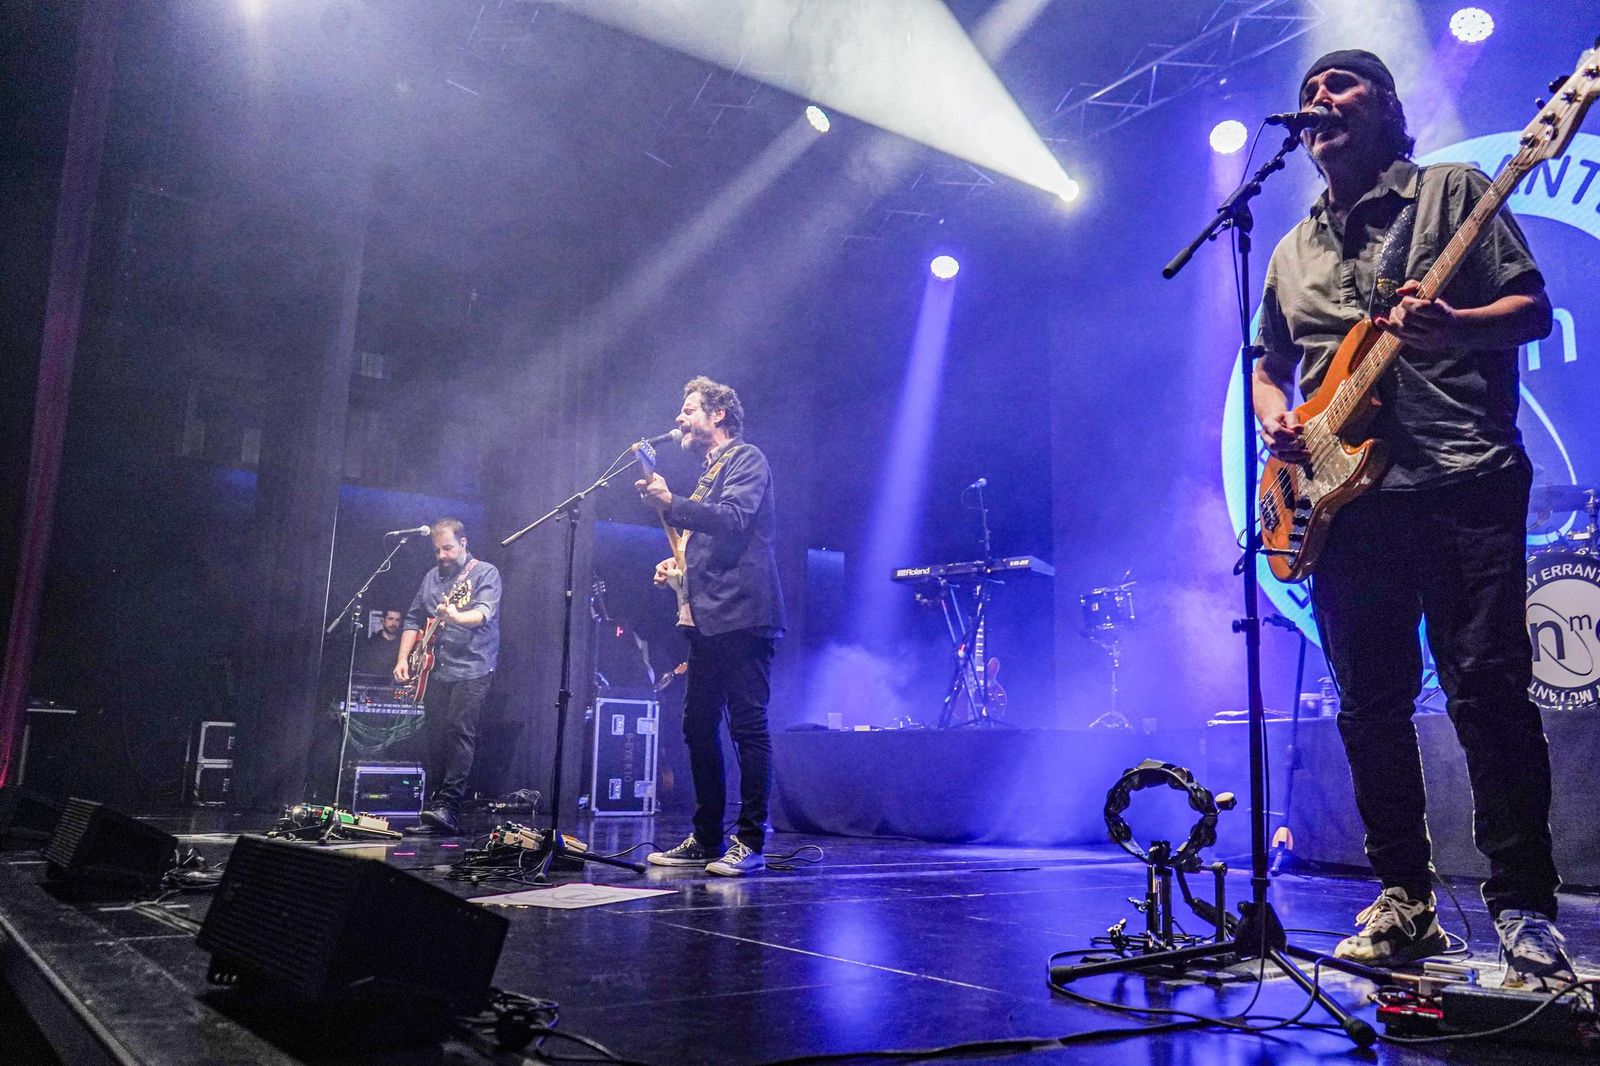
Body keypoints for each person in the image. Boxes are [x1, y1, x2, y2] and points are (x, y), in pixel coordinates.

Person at [1253, 50, 1574, 989]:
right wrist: (1277, 414)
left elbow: (1535, 311)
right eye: (1310, 92)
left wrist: (1455, 327)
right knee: (1370, 709)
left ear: (1389, 109)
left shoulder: (1454, 191)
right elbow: (1272, 363)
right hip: (1345, 504)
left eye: (1341, 86)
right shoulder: (1290, 250)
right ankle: (1406, 899)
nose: (1319, 100)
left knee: (1487, 692)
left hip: (1463, 477)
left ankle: (1522, 908)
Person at [635, 376, 786, 876]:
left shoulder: (747, 459)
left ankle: (750, 841)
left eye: (688, 409)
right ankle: (705, 836)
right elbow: (706, 545)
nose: (679, 418)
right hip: (705, 619)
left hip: (743, 614)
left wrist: (672, 503)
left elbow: (733, 519)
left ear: (718, 414)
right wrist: (677, 571)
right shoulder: (708, 471)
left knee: (747, 727)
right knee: (697, 725)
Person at [393, 519, 501, 835]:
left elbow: (482, 613)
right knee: (435, 736)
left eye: (448, 548)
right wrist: (403, 658)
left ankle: (450, 807)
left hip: (473, 666)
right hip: (436, 668)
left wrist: (455, 616)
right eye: (437, 550)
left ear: (464, 543)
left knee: (459, 732)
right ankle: (435, 807)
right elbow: (413, 618)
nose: (441, 555)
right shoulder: (431, 578)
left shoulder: (485, 573)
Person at [355, 608, 404, 676]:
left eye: (397, 620)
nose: (394, 623)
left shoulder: (403, 646)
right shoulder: (369, 644)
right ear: (382, 620)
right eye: (390, 619)